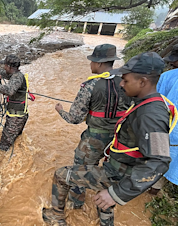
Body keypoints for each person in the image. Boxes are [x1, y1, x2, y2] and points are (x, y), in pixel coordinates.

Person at [42, 52, 174, 226]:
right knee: (104, 199)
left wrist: (118, 193)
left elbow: (159, 161)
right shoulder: (146, 103)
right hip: (118, 166)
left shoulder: (151, 115)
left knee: (61, 175)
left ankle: (55, 216)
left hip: (118, 173)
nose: (121, 83)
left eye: (126, 81)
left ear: (142, 82)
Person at [54, 44, 132, 209]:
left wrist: (60, 111)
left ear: (99, 63)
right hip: (120, 140)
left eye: (91, 61)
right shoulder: (127, 82)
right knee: (109, 173)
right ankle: (104, 204)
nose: (90, 65)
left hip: (94, 139)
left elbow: (74, 118)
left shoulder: (90, 85)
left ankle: (76, 203)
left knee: (81, 170)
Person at [154, 44, 178, 187]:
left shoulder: (167, 77)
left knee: (155, 161)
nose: (171, 63)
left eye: (174, 60)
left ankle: (152, 187)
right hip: (172, 133)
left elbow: (156, 103)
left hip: (166, 130)